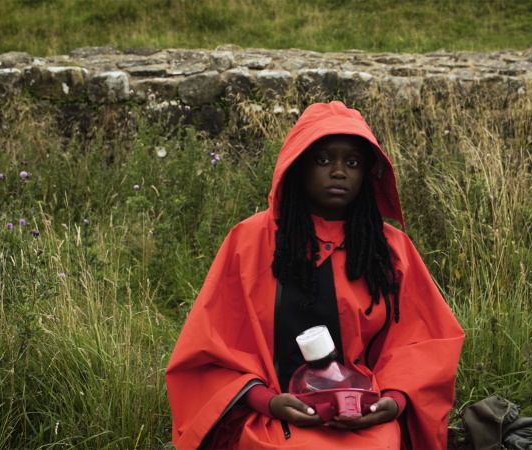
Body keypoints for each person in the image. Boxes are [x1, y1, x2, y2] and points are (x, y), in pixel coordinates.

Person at [165, 101, 465, 449]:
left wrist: (393, 400)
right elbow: (208, 349)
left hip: (363, 414)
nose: (339, 172)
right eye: (322, 160)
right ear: (297, 166)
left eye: (352, 162)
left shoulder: (388, 249)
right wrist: (266, 401)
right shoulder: (249, 242)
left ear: (368, 173)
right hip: (273, 415)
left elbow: (424, 343)